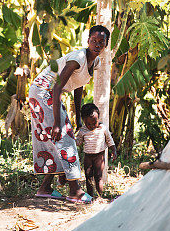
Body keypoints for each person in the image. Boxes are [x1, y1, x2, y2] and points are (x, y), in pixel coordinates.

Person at [31, 25, 110, 203]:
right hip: (44, 91)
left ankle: (44, 188)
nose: (97, 45)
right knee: (64, 138)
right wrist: (59, 123)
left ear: (105, 45)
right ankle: (75, 190)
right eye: (94, 41)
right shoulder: (78, 58)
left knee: (58, 139)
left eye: (101, 42)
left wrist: (77, 115)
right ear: (88, 40)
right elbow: (58, 86)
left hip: (49, 93)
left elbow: (78, 84)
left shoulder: (94, 62)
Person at [76, 103, 116, 199]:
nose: (92, 126)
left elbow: (110, 140)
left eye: (94, 123)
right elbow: (78, 143)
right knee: (88, 176)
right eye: (88, 124)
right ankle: (90, 197)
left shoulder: (103, 128)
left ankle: (99, 196)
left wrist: (114, 151)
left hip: (99, 156)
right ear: (84, 121)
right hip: (88, 157)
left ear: (98, 118)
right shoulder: (82, 131)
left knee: (98, 177)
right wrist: (71, 139)